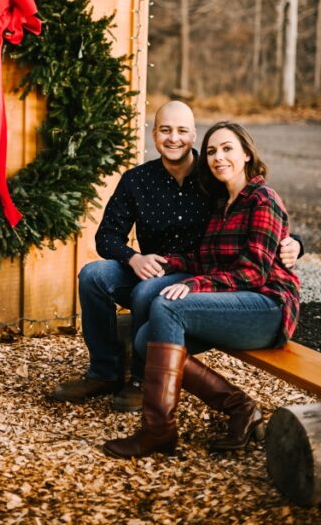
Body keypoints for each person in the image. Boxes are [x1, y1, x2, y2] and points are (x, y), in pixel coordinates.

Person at [51, 102, 300, 412]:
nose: (173, 138)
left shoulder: (214, 179)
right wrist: (134, 258)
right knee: (93, 276)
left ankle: (144, 381)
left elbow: (263, 223)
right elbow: (106, 237)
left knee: (148, 294)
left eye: (182, 131)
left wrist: (295, 244)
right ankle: (104, 373)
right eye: (165, 130)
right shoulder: (138, 180)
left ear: (193, 136)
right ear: (154, 135)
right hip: (160, 265)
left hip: (199, 278)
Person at [103, 121, 300, 457]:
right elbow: (204, 259)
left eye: (227, 149)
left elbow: (253, 273)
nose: (218, 157)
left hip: (268, 307)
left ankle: (157, 430)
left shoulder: (262, 200)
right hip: (235, 302)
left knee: (167, 305)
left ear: (247, 154)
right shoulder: (222, 203)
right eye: (211, 151)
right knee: (144, 338)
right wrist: (168, 263)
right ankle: (240, 407)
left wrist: (195, 285)